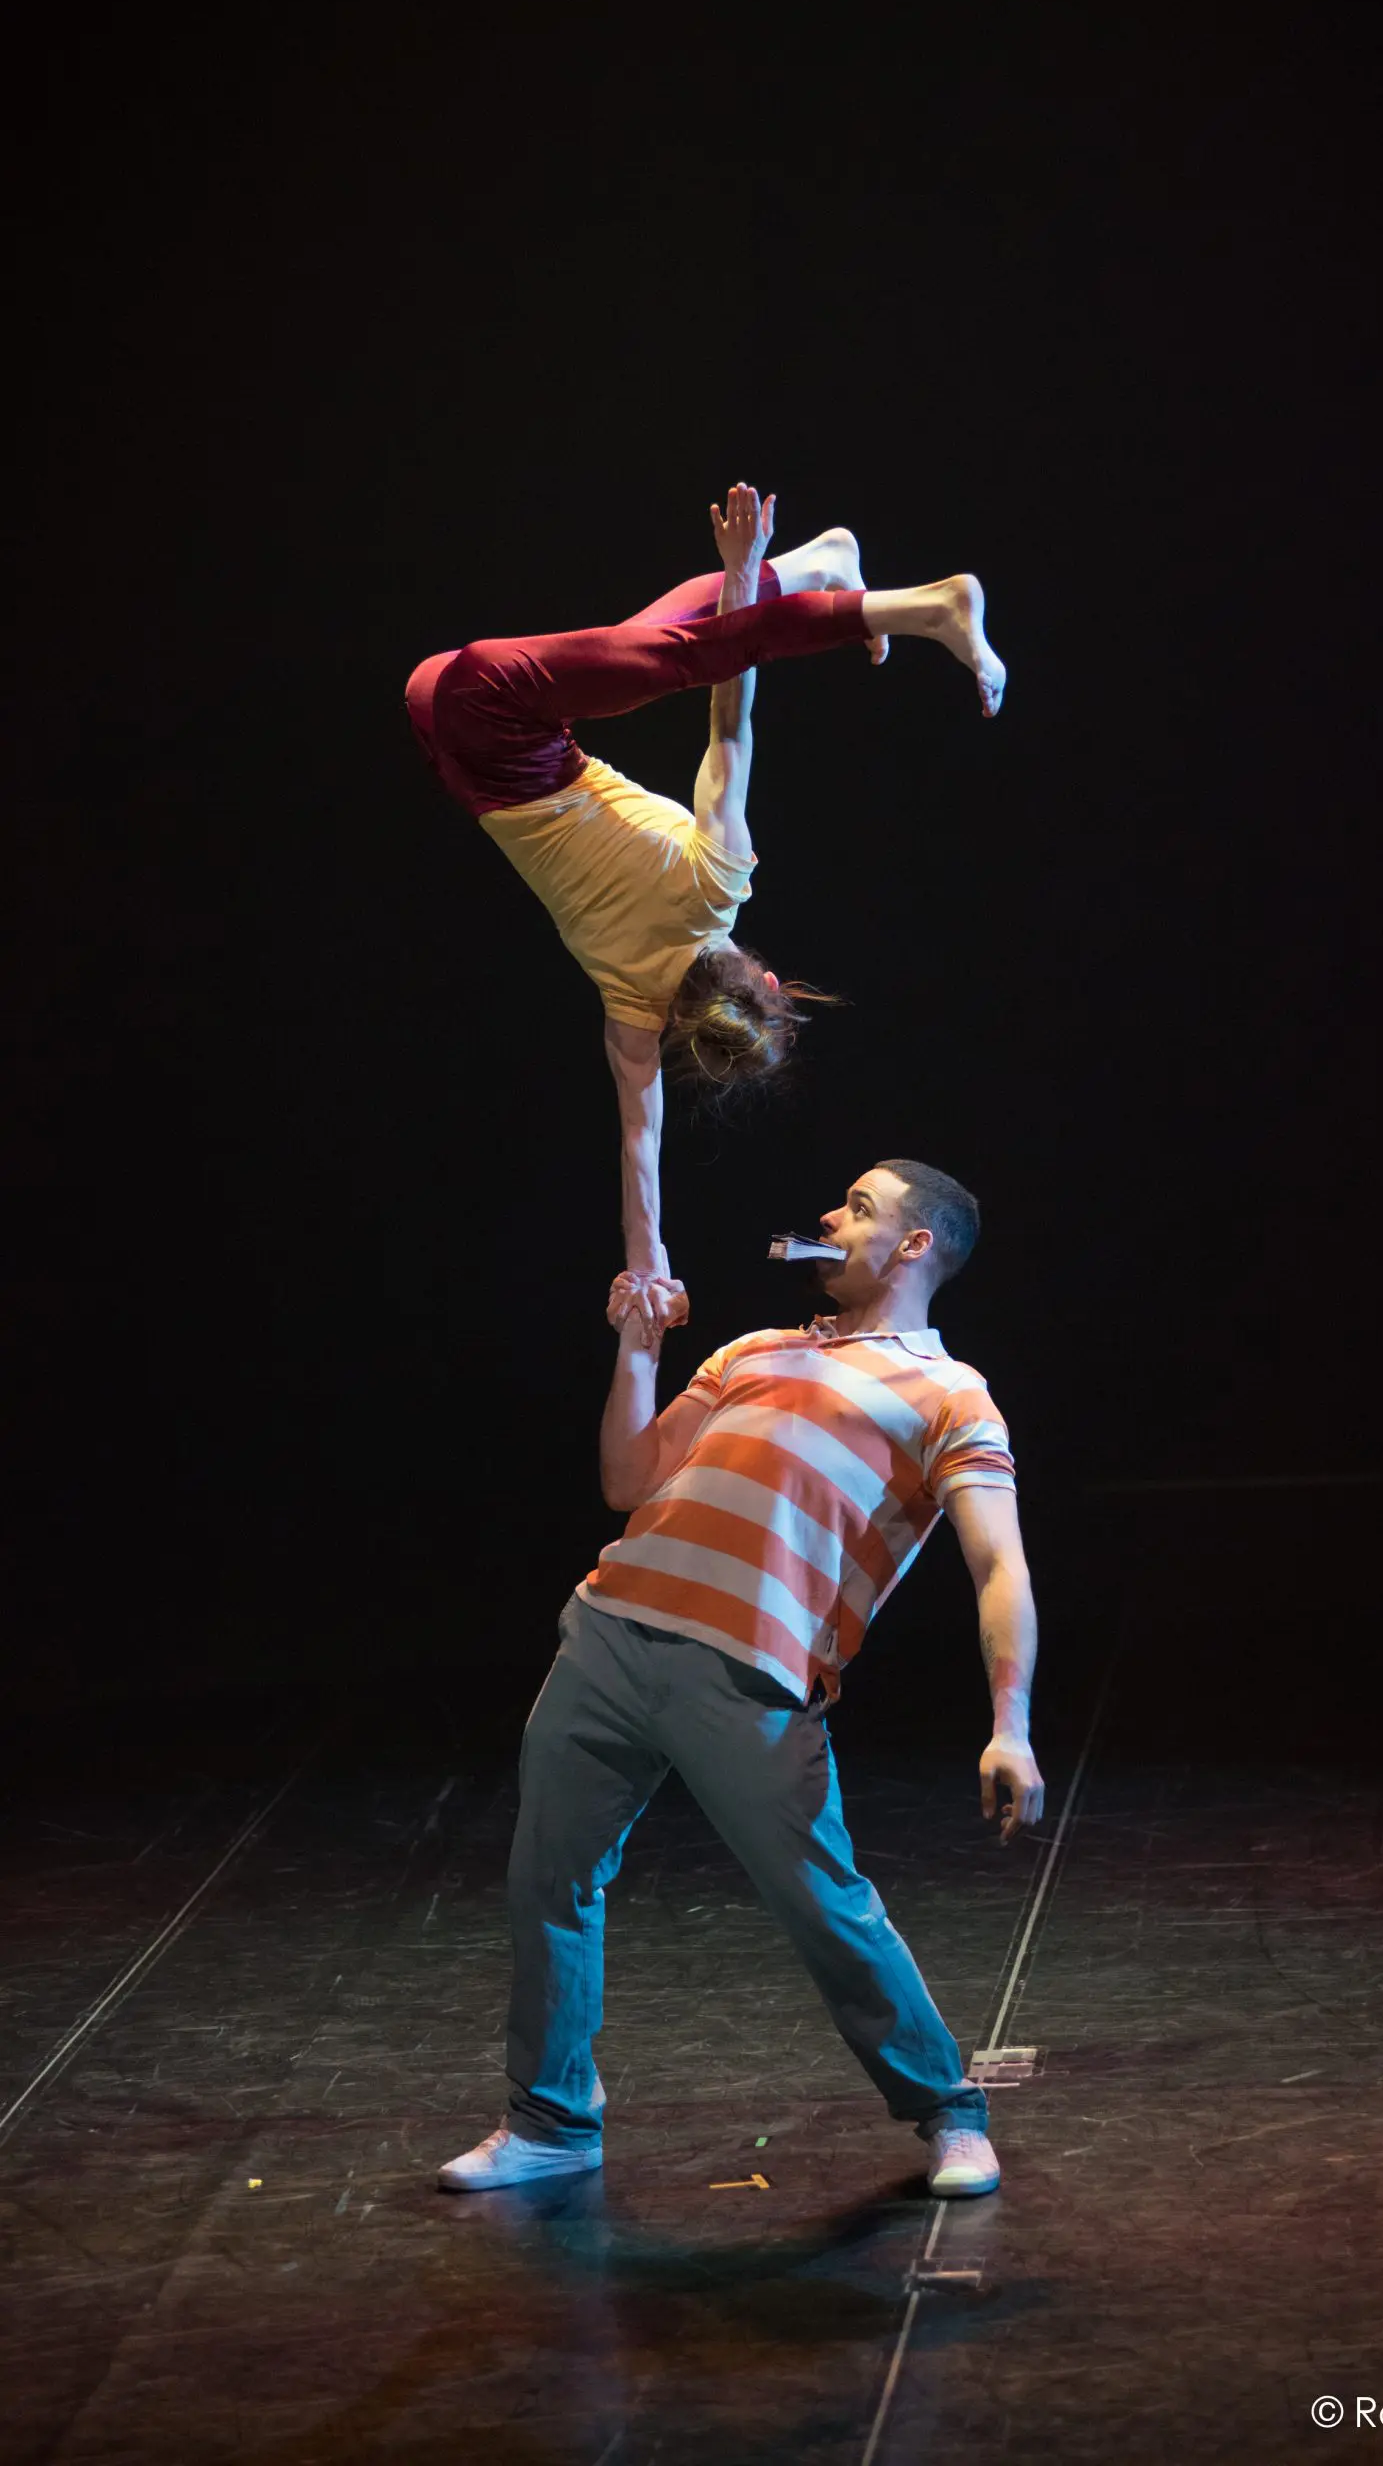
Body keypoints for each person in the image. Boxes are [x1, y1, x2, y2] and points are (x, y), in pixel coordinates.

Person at [438, 1159, 1045, 2200]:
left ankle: (950, 2111)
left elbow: (998, 1564)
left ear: (915, 1246)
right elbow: (629, 1482)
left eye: (859, 1207)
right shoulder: (752, 1349)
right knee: (550, 1882)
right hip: (611, 1635)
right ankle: (550, 2121)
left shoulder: (949, 1393)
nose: (827, 1215)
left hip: (752, 1677)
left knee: (823, 1904)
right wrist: (639, 1350)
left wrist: (1010, 1722)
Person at [406, 491, 1006, 1341]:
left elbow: (733, 717)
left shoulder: (718, 886)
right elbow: (637, 1148)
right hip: (453, 735)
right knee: (657, 640)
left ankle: (924, 604)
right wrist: (648, 1263)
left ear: (762, 978)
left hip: (490, 704)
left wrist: (736, 580)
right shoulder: (633, 1010)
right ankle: (811, 567)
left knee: (688, 656)